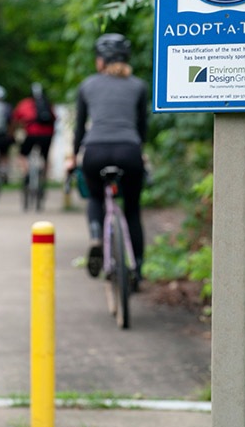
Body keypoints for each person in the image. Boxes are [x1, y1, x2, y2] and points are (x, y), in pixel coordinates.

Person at [65, 33, 148, 289]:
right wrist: (139, 149)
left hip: (95, 150)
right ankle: (137, 270)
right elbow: (142, 126)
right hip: (129, 150)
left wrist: (74, 155)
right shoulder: (138, 86)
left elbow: (80, 128)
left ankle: (95, 238)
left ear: (100, 61)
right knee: (132, 209)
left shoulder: (88, 85)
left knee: (96, 197)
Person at [12, 82, 56, 189]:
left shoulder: (25, 104)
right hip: (47, 135)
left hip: (31, 134)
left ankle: (27, 173)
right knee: (45, 158)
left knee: (22, 155)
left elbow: (16, 119)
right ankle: (43, 182)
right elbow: (54, 118)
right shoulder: (48, 103)